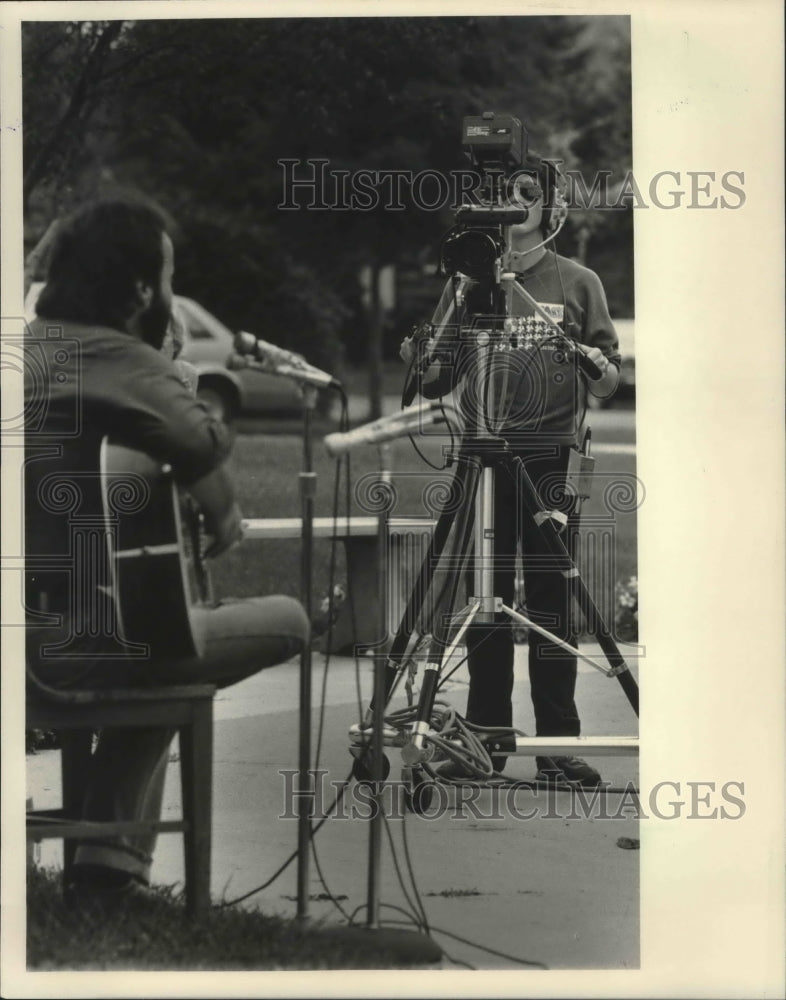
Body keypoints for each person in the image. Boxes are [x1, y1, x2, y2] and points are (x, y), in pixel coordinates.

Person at [24, 199, 310, 905]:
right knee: (281, 621)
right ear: (143, 290)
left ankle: (107, 864)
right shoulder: (121, 358)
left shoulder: (21, 346)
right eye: (169, 276)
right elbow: (203, 443)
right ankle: (107, 858)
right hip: (77, 647)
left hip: (16, 638)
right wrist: (168, 367)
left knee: (162, 630)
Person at [399, 152, 620, 788]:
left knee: (551, 602)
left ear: (552, 208)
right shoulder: (469, 279)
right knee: (485, 600)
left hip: (548, 457)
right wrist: (426, 344)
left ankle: (556, 745)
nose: (512, 202)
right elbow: (431, 373)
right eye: (500, 191)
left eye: (527, 192)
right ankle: (483, 738)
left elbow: (606, 381)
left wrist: (589, 360)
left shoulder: (577, 281)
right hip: (482, 453)